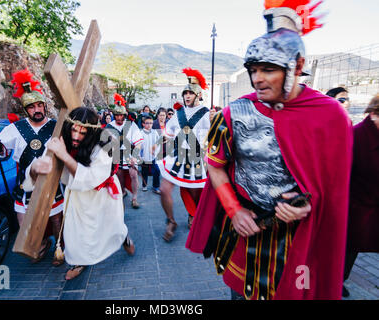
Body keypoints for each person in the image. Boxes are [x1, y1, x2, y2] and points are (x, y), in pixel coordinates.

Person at [186, 0, 353, 300]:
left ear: (297, 66)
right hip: (246, 234)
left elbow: (335, 189)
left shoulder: (329, 115)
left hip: (298, 240)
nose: (258, 78)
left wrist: (309, 205)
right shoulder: (233, 113)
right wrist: (233, 210)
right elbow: (215, 165)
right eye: (253, 69)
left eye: (269, 69)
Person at [23, 107, 135, 280]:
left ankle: (123, 237)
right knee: (77, 232)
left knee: (111, 226)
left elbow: (91, 178)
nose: (76, 136)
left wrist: (65, 156)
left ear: (91, 133)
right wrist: (34, 168)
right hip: (76, 196)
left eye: (83, 132)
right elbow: (44, 161)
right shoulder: (63, 138)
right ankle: (79, 261)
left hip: (102, 195)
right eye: (74, 130)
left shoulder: (105, 144)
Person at [0, 68, 65, 266]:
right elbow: (2, 151)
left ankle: (60, 246)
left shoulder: (57, 126)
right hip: (26, 183)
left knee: (55, 219)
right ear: (25, 110)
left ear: (45, 106)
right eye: (31, 107)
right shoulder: (14, 129)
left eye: (39, 105)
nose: (36, 109)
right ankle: (40, 244)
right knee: (26, 221)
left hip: (51, 181)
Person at [158, 68, 211, 241]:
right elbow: (169, 132)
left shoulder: (206, 113)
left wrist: (215, 120)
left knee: (194, 193)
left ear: (198, 95)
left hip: (197, 157)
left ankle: (193, 214)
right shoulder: (179, 113)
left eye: (190, 93)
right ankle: (171, 221)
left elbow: (214, 136)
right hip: (177, 156)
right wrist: (162, 140)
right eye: (185, 93)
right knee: (164, 190)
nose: (187, 96)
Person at [343, 94, 379, 297]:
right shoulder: (355, 136)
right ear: (373, 114)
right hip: (353, 207)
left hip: (372, 206)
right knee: (346, 247)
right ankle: (336, 279)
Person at [105, 94, 144, 209]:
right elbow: (106, 146)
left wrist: (134, 157)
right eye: (117, 115)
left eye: (121, 115)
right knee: (119, 176)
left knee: (133, 175)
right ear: (114, 115)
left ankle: (134, 198)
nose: (119, 118)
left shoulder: (131, 125)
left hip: (131, 154)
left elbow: (138, 143)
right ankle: (122, 192)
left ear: (124, 115)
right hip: (116, 155)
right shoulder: (109, 127)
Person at [140, 115, 161, 194]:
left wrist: (156, 152)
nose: (149, 125)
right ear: (143, 124)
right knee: (144, 172)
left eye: (151, 123)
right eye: (147, 123)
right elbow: (139, 145)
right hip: (144, 156)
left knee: (157, 171)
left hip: (153, 156)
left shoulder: (154, 132)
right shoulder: (141, 133)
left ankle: (155, 186)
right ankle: (144, 185)